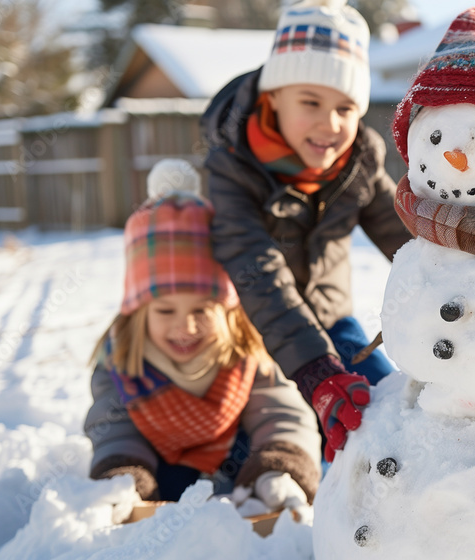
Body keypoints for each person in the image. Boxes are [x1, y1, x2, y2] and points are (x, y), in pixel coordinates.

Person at [199, 0, 411, 464]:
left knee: (383, 409)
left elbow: (405, 237)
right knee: (256, 444)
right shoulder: (234, 167)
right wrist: (316, 370)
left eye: (345, 107)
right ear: (273, 97)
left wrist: (467, 270)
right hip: (250, 331)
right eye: (310, 102)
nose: (330, 124)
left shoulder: (357, 160)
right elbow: (256, 267)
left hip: (335, 321)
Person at [84, 160, 322, 516]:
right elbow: (114, 427)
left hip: (242, 480)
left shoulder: (242, 352)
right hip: (158, 479)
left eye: (202, 310)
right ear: (138, 310)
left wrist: (281, 464)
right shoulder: (122, 361)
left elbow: (280, 410)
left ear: (226, 309)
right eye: (165, 311)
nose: (186, 327)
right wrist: (123, 475)